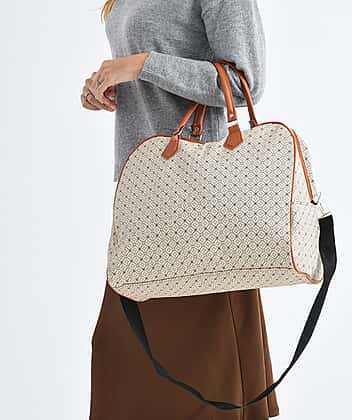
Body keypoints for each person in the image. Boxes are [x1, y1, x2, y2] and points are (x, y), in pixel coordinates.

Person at [81, 1, 280, 419]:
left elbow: (244, 83)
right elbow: (146, 71)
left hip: (198, 200)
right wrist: (107, 85)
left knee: (203, 375)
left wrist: (142, 65)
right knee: (124, 366)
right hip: (142, 191)